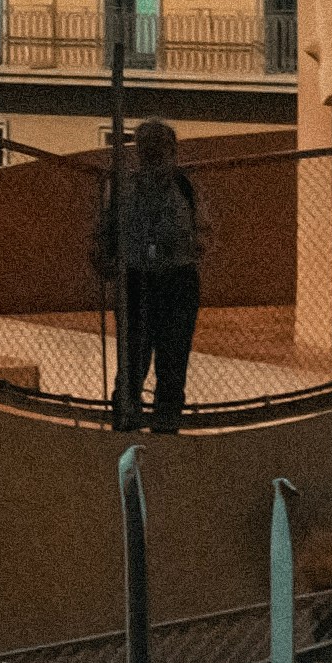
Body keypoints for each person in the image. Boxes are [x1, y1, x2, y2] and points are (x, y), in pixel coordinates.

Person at [91, 115, 205, 434]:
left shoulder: (185, 187)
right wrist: (107, 256)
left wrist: (176, 247)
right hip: (137, 283)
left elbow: (203, 234)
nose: (152, 153)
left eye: (158, 146)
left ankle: (166, 430)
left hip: (176, 283)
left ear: (171, 151)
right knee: (131, 366)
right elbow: (104, 232)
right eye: (146, 146)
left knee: (171, 366)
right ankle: (126, 427)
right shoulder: (122, 189)